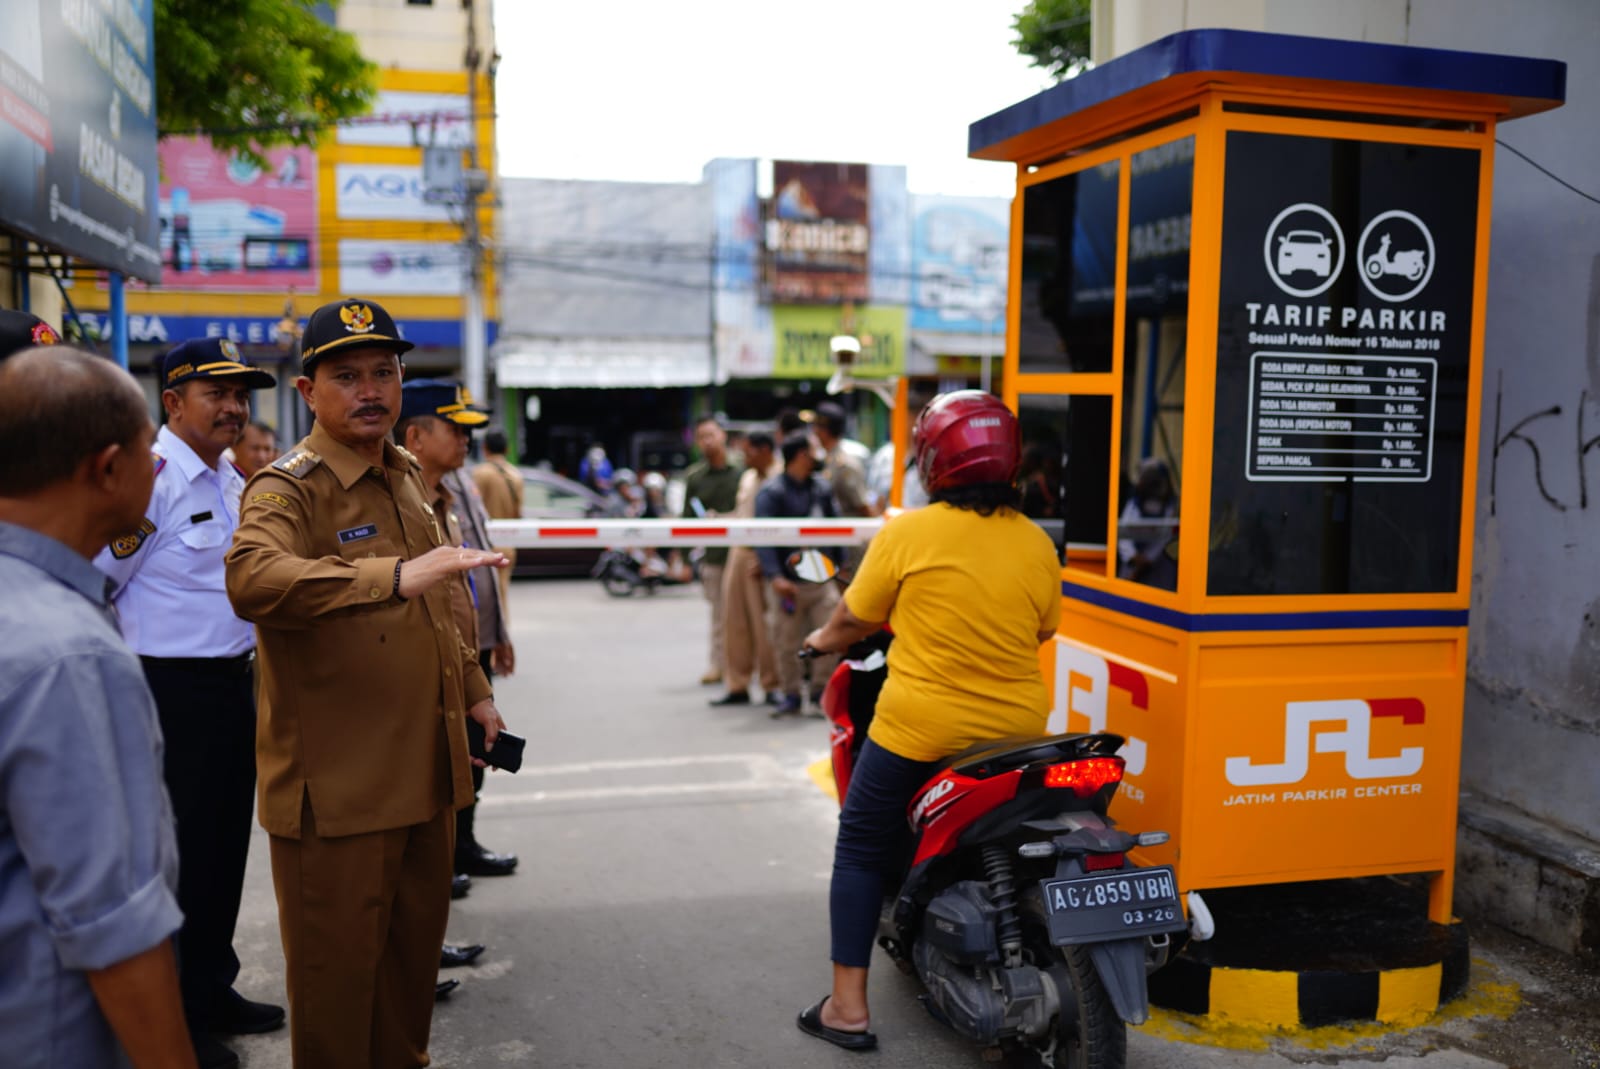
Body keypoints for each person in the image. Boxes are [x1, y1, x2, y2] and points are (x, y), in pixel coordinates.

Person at [224, 298, 509, 1069]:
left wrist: (476, 688)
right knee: (337, 1004)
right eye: (346, 375)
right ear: (308, 391)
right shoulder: (288, 488)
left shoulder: (406, 471)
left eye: (383, 372)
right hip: (340, 796)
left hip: (427, 772)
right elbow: (253, 578)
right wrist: (390, 575)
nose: (370, 389)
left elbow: (442, 605)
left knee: (407, 988)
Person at [791, 390, 1061, 1051]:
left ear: (932, 460)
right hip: (1021, 733)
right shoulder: (1035, 541)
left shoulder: (908, 532)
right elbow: (1044, 627)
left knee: (858, 842)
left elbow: (856, 615)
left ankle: (847, 1007)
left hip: (921, 729)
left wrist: (823, 640)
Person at [0, 346, 198, 1069]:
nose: (160, 465)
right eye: (152, 447)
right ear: (109, 468)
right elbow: (114, 926)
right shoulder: (70, 655)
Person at [93, 338, 284, 1069]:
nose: (235, 407)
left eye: (241, 395)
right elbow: (94, 579)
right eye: (217, 393)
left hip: (231, 684)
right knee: (176, 859)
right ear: (173, 402)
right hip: (169, 692)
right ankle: (173, 1017)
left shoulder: (230, 478)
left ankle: (211, 984)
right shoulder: (156, 480)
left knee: (223, 844)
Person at [396, 380, 520, 883]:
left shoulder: (459, 485)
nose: (466, 439)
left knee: (474, 753)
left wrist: (499, 632)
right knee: (438, 765)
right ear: (416, 437)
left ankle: (461, 845)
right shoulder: (403, 498)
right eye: (455, 428)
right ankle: (437, 864)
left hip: (475, 643)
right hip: (437, 654)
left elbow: (483, 566)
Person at [754, 431, 841, 716]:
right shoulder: (771, 493)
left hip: (822, 581)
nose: (819, 456)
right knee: (786, 642)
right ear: (802, 455)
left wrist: (841, 570)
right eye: (814, 450)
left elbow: (838, 528)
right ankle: (791, 695)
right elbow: (763, 538)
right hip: (787, 584)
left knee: (829, 638)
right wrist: (775, 576)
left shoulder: (821, 489)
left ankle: (819, 694)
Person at [710, 430, 783, 707]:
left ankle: (771, 683)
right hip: (738, 552)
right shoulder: (749, 477)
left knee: (764, 625)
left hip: (760, 557)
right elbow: (743, 515)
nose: (744, 456)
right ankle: (737, 683)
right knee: (734, 622)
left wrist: (768, 559)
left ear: (765, 450)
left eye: (749, 451)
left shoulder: (779, 476)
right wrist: (719, 519)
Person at [682, 417, 743, 685]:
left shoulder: (742, 470)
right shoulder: (695, 477)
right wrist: (684, 558)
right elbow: (686, 519)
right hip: (715, 557)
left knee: (745, 615)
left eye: (711, 435)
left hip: (742, 554)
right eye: (702, 437)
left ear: (723, 436)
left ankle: (742, 667)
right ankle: (718, 665)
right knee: (719, 614)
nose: (707, 441)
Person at [472, 427, 524, 611]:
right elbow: (518, 513)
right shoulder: (516, 475)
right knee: (502, 596)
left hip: (483, 543)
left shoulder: (479, 474)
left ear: (484, 447)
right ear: (507, 449)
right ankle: (502, 634)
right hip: (508, 544)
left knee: (485, 602)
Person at [1117, 456, 1178, 590]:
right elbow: (1123, 533)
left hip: (1157, 567)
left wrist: (1146, 560)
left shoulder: (1169, 505)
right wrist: (1133, 556)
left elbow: (1165, 536)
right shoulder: (1135, 501)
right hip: (1133, 563)